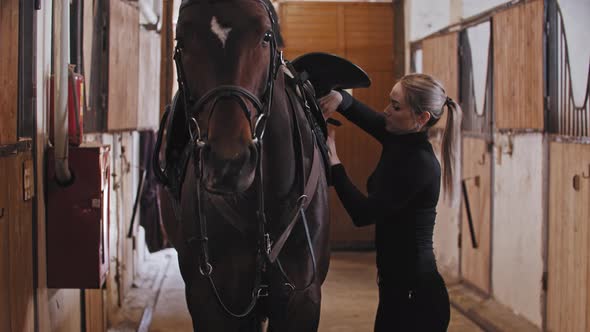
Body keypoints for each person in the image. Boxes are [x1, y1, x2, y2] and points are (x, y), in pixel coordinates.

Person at [319, 73, 461, 331]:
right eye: (389, 102)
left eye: (396, 106)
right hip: (396, 289)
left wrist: (335, 162)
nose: (386, 111)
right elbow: (369, 118)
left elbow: (362, 214)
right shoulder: (400, 137)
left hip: (417, 299)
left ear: (421, 118)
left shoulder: (419, 164)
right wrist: (340, 99)